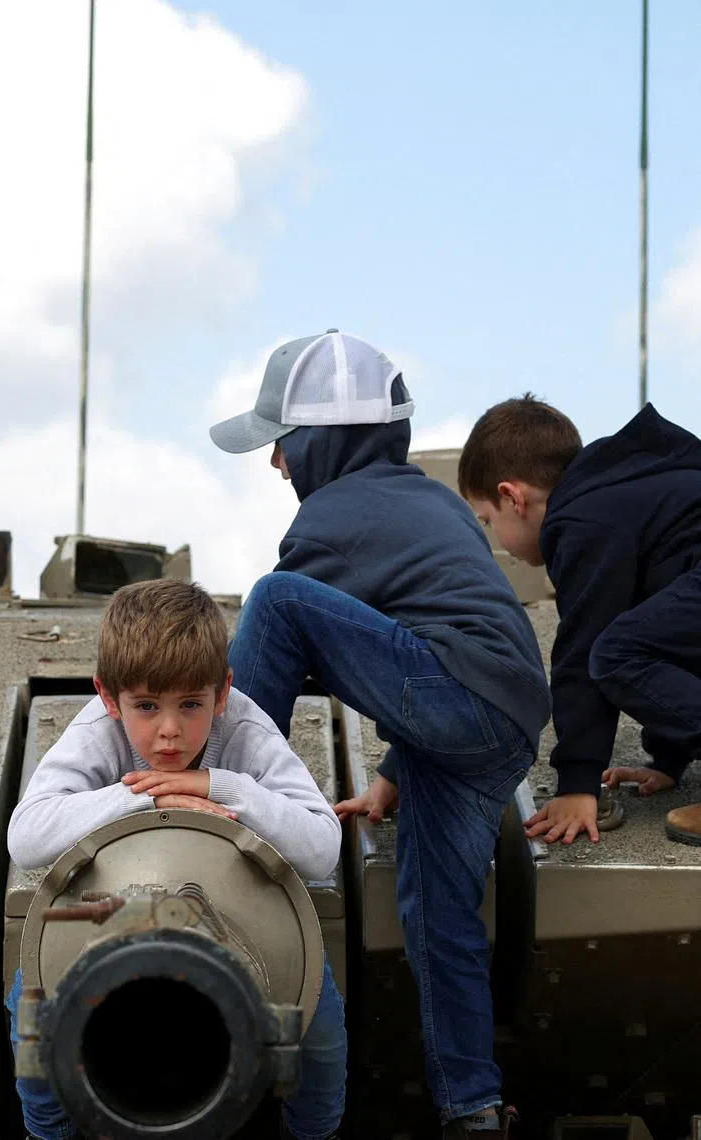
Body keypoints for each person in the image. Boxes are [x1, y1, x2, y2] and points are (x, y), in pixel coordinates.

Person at [210, 331, 549, 1138]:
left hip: (456, 694)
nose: (275, 464)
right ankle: (472, 1106)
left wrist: (221, 754)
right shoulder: (426, 499)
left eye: (283, 444)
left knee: (280, 599)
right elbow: (450, 627)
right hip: (499, 720)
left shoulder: (330, 517)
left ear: (323, 442)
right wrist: (397, 768)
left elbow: (303, 636)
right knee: (440, 917)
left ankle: (210, 788)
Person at [6, 578, 346, 1140]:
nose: (169, 730)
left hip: (244, 914)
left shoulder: (243, 725)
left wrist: (221, 785)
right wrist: (146, 793)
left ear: (223, 691)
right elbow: (28, 835)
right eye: (146, 706)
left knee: (322, 1039)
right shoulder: (97, 730)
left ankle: (314, 1135)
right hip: (107, 908)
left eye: (192, 704)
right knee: (32, 1020)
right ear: (109, 696)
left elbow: (320, 845)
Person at [458, 395, 701, 847]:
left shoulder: (583, 521)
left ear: (513, 498)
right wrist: (670, 758)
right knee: (634, 639)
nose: (494, 538)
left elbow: (582, 649)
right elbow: (676, 641)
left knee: (610, 654)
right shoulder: (628, 491)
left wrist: (576, 784)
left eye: (488, 521)